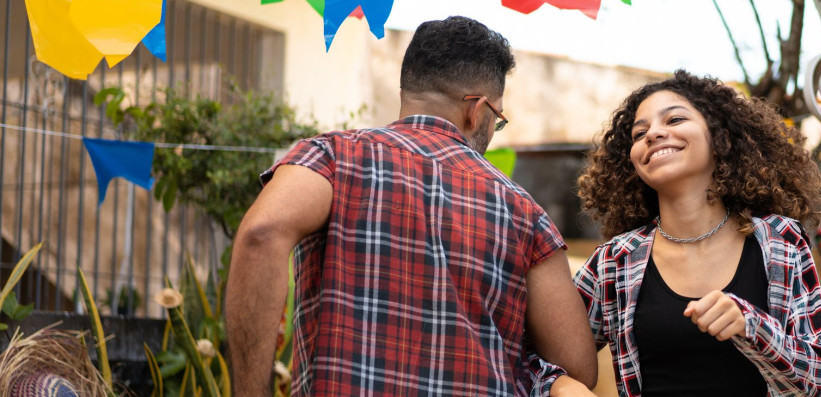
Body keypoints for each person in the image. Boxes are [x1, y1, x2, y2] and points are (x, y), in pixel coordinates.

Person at [225, 16, 597, 396]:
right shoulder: (525, 213)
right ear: (478, 109)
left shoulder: (332, 157)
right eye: (497, 120)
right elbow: (577, 368)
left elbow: (261, 233)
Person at [525, 70, 821, 396]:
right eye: (639, 132)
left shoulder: (779, 241)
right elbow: (526, 353)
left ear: (720, 137)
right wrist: (560, 387)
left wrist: (752, 326)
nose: (653, 134)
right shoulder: (615, 262)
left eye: (674, 120)